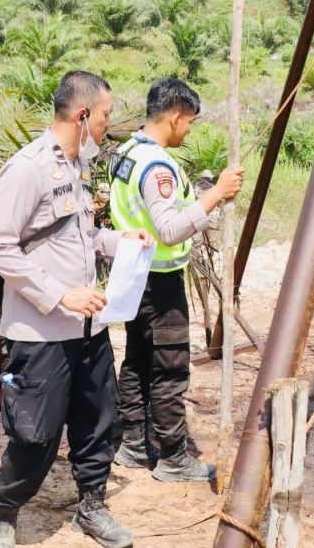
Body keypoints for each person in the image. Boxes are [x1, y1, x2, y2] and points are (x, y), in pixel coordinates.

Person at [0, 71, 154, 548]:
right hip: (40, 330)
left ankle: (91, 507)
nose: (107, 125)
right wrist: (59, 294)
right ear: (81, 116)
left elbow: (82, 236)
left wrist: (121, 241)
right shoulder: (28, 168)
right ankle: (3, 512)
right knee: (35, 433)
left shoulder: (78, 167)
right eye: (104, 116)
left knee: (98, 421)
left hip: (88, 326)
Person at [108, 78, 245, 481]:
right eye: (191, 123)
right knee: (170, 367)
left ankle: (133, 444)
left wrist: (201, 192)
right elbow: (168, 229)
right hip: (159, 279)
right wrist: (216, 195)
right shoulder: (156, 165)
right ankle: (172, 457)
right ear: (175, 116)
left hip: (135, 274)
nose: (189, 131)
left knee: (137, 360)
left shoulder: (127, 150)